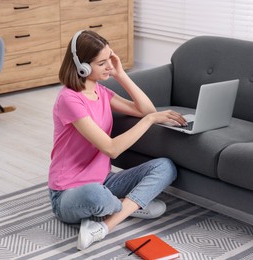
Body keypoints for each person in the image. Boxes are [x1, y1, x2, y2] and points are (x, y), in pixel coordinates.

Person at [48, 30, 186, 250]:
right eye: (102, 63)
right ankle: (129, 206)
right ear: (81, 66)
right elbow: (111, 148)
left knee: (166, 167)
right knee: (94, 194)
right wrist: (150, 119)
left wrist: (121, 74)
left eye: (110, 59)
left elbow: (146, 109)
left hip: (105, 182)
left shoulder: (101, 92)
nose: (108, 67)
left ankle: (105, 224)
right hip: (68, 193)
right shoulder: (69, 99)